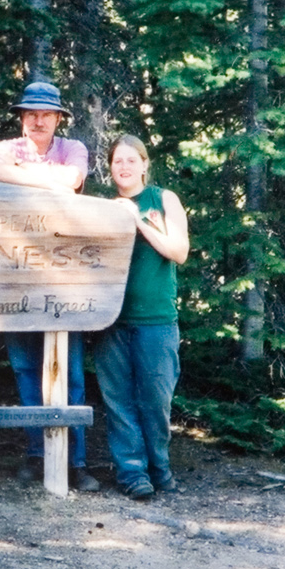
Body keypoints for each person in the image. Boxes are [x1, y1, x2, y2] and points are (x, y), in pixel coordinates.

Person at [0, 81, 99, 492]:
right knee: (27, 368)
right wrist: (48, 179)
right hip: (16, 277)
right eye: (30, 113)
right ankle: (37, 454)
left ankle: (77, 461)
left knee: (69, 373)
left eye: (45, 114)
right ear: (21, 117)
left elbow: (73, 178)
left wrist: (25, 178)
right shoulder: (3, 148)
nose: (37, 120)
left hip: (65, 278)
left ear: (58, 118)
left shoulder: (73, 149)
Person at [94, 135, 189, 500]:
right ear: (111, 165)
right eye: (118, 160)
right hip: (111, 321)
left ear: (145, 164)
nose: (125, 167)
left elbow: (178, 251)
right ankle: (132, 473)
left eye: (132, 160)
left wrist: (138, 222)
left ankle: (160, 468)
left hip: (157, 320)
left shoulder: (163, 200)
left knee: (156, 398)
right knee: (118, 400)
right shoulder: (104, 207)